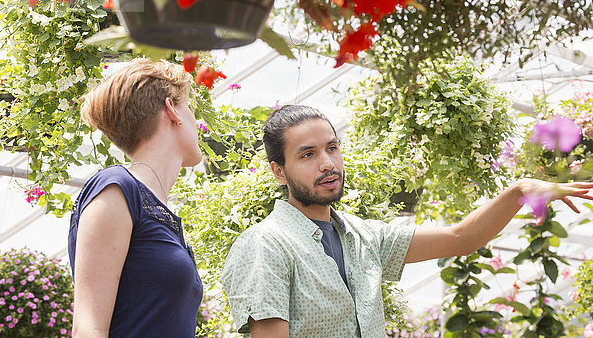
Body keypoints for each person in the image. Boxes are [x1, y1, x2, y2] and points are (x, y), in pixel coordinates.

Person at [221, 105, 593, 338]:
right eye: (307, 154)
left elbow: (460, 238)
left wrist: (518, 192)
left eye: (332, 148)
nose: (328, 164)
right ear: (279, 172)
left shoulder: (362, 236)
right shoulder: (265, 245)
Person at [68, 58, 204, 338]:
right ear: (172, 110)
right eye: (188, 107)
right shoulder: (116, 189)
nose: (195, 119)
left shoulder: (155, 205)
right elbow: (87, 328)